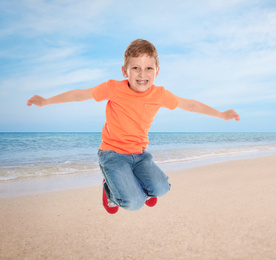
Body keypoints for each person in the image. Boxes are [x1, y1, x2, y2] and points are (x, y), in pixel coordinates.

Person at [27, 39, 240, 214]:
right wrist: (46, 101)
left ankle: (132, 184)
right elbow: (78, 95)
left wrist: (221, 114)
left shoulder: (160, 95)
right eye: (135, 68)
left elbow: (190, 104)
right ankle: (110, 191)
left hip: (139, 155)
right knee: (134, 203)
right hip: (112, 154)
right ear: (125, 70)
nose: (142, 74)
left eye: (148, 68)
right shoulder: (113, 88)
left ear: (157, 71)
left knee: (161, 189)